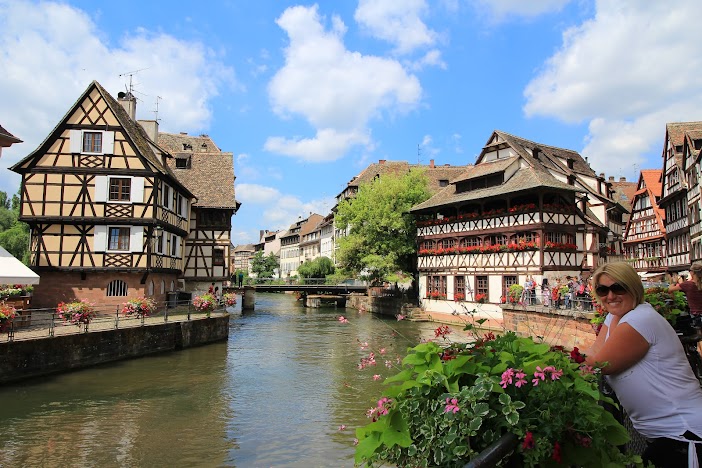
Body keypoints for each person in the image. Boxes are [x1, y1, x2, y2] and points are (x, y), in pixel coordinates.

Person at [586, 262, 702, 467]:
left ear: (633, 287)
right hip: (669, 435)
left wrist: (559, 366)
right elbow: (595, 350)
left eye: (618, 288)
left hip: (684, 434)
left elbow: (600, 363)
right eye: (603, 290)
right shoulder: (617, 316)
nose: (610, 296)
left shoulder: (639, 319)